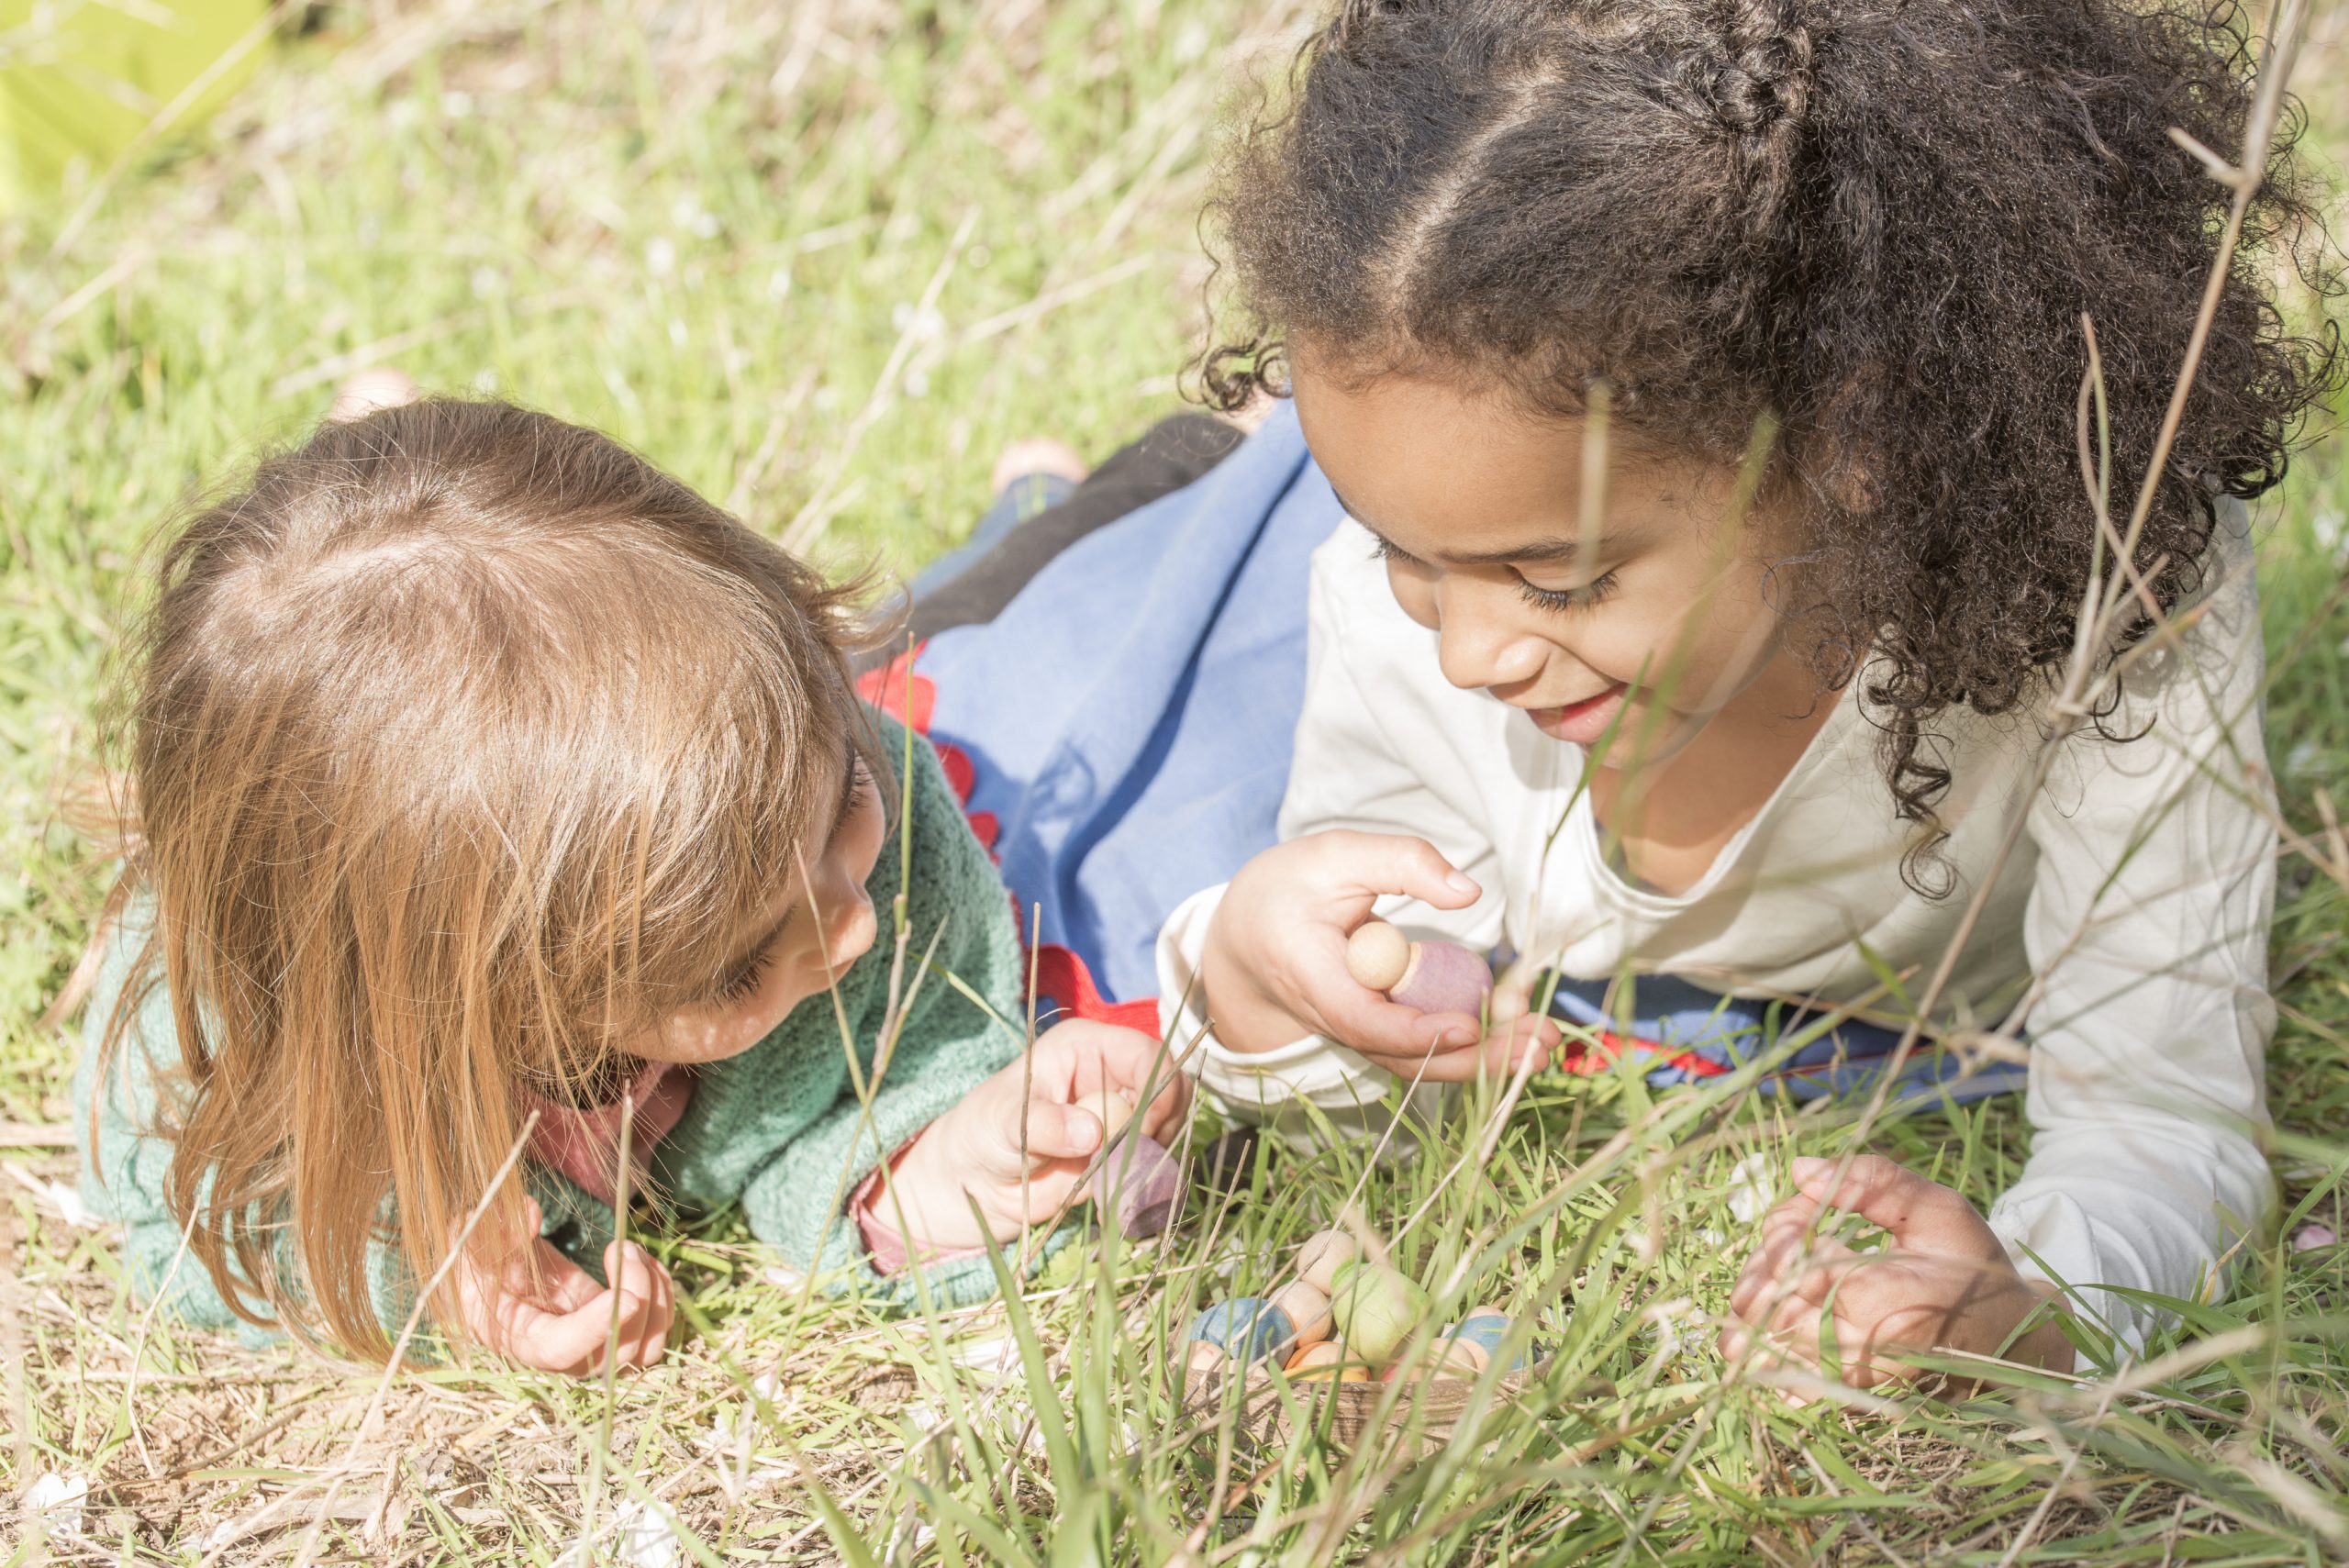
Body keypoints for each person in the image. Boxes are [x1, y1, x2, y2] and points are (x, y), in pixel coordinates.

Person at [1143, 0, 2337, 1379]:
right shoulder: (1400, 605)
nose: (1466, 654)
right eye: (1397, 546)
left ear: (1857, 448)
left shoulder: (2108, 592)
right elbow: (1393, 1088)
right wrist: (1252, 984)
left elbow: (2165, 1113)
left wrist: (2040, 1308)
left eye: (1558, 576)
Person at [73, 395, 1188, 1373]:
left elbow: (898, 1072)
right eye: (741, 961)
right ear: (477, 996)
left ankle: (1072, 488)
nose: (849, 926)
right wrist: (446, 1290)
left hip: (974, 633)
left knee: (1034, 589)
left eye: (841, 797)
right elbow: (194, 1229)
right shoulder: (234, 1039)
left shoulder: (834, 784)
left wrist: (946, 1157)